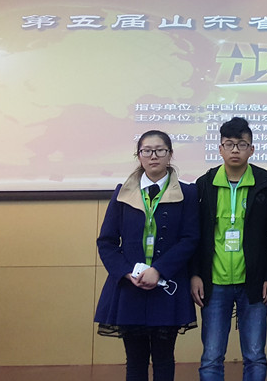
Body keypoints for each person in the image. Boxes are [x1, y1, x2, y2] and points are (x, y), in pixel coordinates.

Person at [95, 130, 199, 381]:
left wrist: (159, 270)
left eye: (160, 150)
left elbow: (190, 239)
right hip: (130, 287)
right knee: (135, 361)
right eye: (147, 151)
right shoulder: (123, 193)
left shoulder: (187, 193)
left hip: (167, 285)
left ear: (170, 154)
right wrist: (126, 273)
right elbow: (107, 242)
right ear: (138, 155)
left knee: (164, 359)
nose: (154, 156)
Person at [189, 117, 267, 381]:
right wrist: (195, 274)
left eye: (242, 144)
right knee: (211, 357)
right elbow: (195, 235)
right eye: (229, 144)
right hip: (214, 282)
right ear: (220, 149)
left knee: (255, 355)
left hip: (254, 282)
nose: (235, 150)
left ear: (252, 149)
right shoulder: (204, 184)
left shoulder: (266, 183)